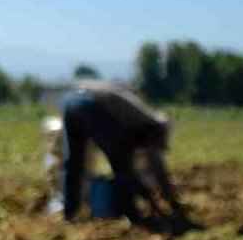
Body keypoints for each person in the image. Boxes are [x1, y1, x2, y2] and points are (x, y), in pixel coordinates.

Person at [60, 80, 183, 225]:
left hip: (71, 100)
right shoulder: (149, 126)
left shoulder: (138, 119)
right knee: (120, 163)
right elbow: (156, 166)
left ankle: (69, 212)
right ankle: (132, 214)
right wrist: (169, 198)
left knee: (74, 162)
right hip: (93, 104)